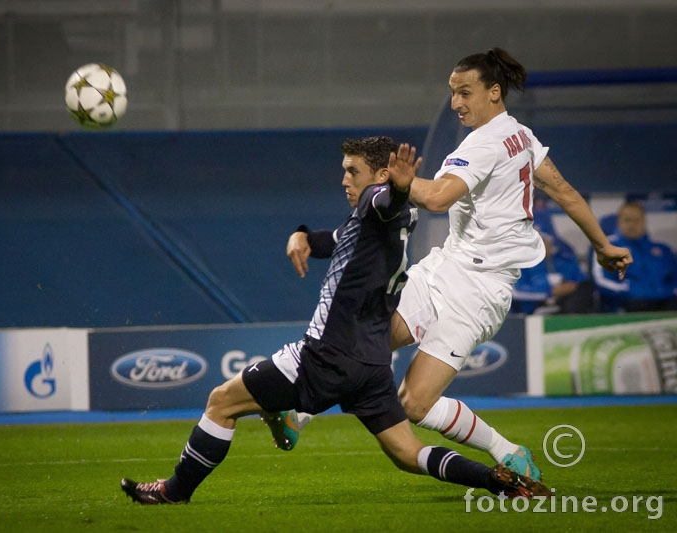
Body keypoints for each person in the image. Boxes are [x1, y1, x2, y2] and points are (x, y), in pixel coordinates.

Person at [265, 48, 633, 483]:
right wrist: (604, 245)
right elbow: (566, 192)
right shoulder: (521, 136)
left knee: (414, 405)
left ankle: (507, 451)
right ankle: (299, 411)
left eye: (465, 92)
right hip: (444, 268)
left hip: (478, 293)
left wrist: (390, 180)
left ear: (494, 92)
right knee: (365, 344)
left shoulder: (484, 143)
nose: (456, 102)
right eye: (452, 93)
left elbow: (438, 198)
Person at [120, 136, 549, 505]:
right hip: (372, 365)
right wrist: (304, 236)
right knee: (407, 453)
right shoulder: (387, 218)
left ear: (380, 175)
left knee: (221, 402)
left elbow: (385, 201)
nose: (345, 179)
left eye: (352, 171)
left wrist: (397, 189)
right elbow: (340, 238)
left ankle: (175, 490)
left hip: (325, 357)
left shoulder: (378, 201)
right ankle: (495, 480)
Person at [591, 201, 677, 312]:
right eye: (627, 220)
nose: (632, 225)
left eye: (636, 220)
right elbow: (602, 281)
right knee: (637, 305)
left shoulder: (662, 249)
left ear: (644, 222)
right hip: (628, 302)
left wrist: (665, 292)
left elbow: (674, 279)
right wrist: (630, 290)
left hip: (665, 301)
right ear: (618, 222)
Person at [510, 217, 596, 315]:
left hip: (565, 310)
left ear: (550, 241)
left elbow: (582, 284)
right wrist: (550, 292)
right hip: (531, 314)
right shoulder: (519, 263)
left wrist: (570, 287)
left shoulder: (565, 259)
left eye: (541, 239)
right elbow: (515, 293)